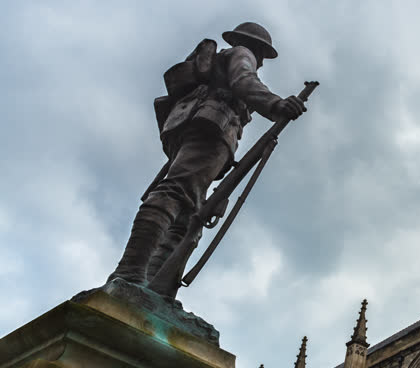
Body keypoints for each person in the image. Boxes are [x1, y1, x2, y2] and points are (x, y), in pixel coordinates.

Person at [108, 22, 305, 285]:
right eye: (263, 56)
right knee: (177, 192)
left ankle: (155, 284)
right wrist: (276, 104)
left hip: (193, 126)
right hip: (211, 128)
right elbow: (244, 81)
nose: (260, 62)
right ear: (258, 49)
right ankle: (130, 271)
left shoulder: (222, 60)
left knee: (188, 213)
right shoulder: (242, 53)